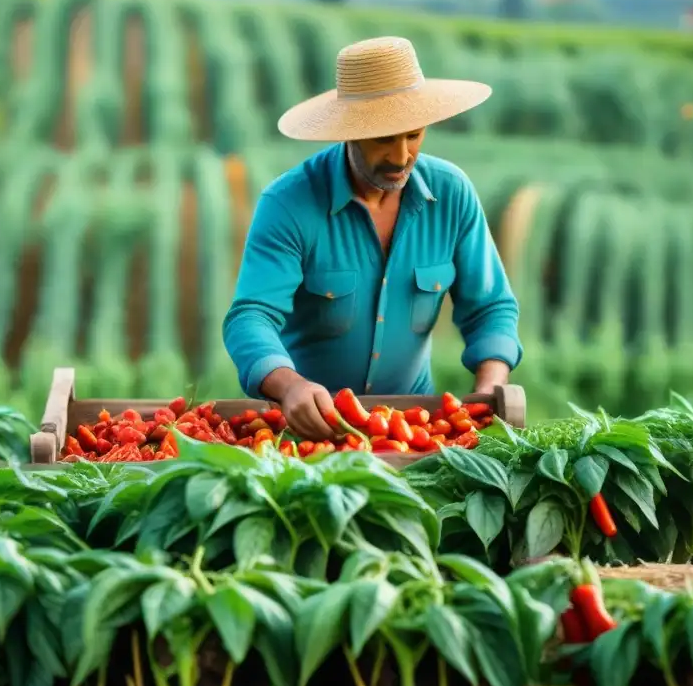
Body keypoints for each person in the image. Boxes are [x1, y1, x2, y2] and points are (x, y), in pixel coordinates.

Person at [222, 36, 523, 440]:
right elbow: (250, 317)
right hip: (306, 431)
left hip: (413, 431)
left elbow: (491, 308)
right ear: (350, 133)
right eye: (384, 139)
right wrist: (288, 385)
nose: (401, 158)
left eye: (414, 135)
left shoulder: (452, 194)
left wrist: (490, 385)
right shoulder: (288, 204)